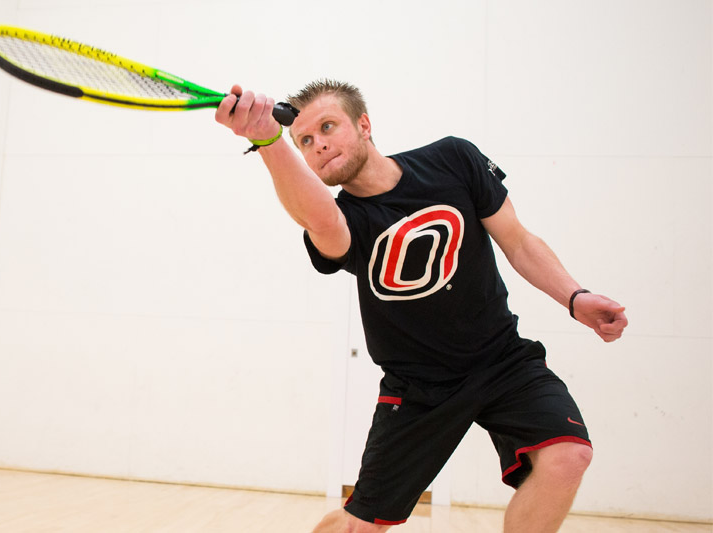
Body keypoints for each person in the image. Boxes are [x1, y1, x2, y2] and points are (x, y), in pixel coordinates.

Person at [215, 79, 628, 533]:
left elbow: (519, 241)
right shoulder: (345, 219)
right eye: (306, 141)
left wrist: (575, 297)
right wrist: (269, 140)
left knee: (569, 456)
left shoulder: (453, 160)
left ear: (364, 124)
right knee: (359, 526)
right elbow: (318, 217)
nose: (319, 145)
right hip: (418, 389)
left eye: (328, 126)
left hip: (502, 359)